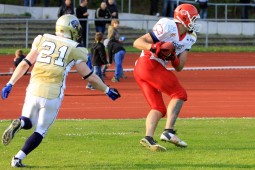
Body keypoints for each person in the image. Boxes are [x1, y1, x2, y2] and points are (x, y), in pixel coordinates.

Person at [1, 14, 121, 167]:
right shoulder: (75, 48)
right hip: (53, 93)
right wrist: (107, 90)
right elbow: (89, 77)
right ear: (70, 29)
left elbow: (25, 64)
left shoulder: (42, 39)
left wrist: (10, 83)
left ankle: (20, 123)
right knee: (41, 130)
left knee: (28, 121)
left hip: (33, 88)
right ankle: (17, 159)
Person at [133, 4, 201, 151]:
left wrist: (173, 57)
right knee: (179, 94)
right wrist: (153, 47)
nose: (195, 22)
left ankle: (148, 138)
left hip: (143, 70)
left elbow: (179, 67)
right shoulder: (168, 26)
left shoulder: (190, 37)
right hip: (148, 63)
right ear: (183, 17)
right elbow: (137, 42)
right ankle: (168, 132)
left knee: (158, 108)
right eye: (193, 18)